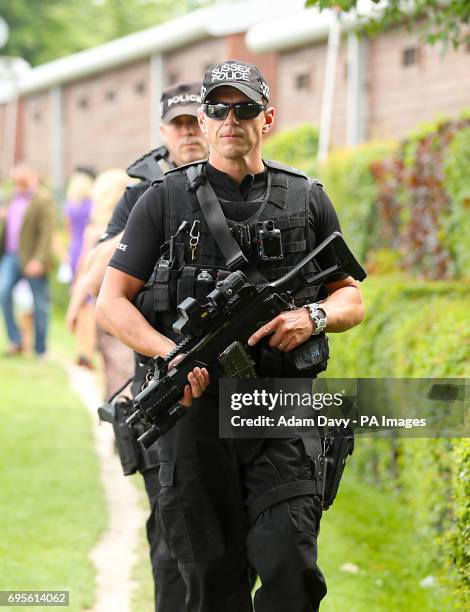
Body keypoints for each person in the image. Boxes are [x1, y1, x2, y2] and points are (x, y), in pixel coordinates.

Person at [96, 61, 365, 611]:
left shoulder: (306, 198)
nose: (229, 120)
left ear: (267, 118)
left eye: (243, 108)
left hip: (278, 410)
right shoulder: (162, 201)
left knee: (289, 562)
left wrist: (310, 317)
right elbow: (111, 303)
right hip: (194, 419)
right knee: (212, 585)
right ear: (205, 117)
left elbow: (351, 297)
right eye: (217, 109)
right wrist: (168, 355)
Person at [85, 82, 208, 611]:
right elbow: (96, 282)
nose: (189, 133)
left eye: (196, 121)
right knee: (172, 527)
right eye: (178, 125)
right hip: (164, 390)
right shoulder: (141, 196)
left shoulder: (248, 186)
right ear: (163, 134)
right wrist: (159, 202)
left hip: (236, 393)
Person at [0, 164, 55, 358]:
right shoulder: (10, 198)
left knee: (40, 304)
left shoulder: (42, 199)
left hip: (32, 258)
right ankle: (16, 341)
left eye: (20, 181)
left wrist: (39, 260)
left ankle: (40, 349)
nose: (16, 184)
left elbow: (47, 233)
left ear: (30, 178)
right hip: (10, 256)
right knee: (3, 293)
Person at [63, 168, 95, 368]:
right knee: (89, 302)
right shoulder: (92, 206)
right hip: (89, 248)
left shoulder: (70, 206)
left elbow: (69, 231)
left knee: (79, 301)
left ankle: (81, 349)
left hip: (75, 250)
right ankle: (88, 351)